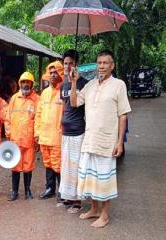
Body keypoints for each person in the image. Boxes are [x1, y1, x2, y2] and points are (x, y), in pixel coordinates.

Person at [70, 50, 131, 228]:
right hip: (89, 140)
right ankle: (94, 209)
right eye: (99, 63)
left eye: (105, 63)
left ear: (112, 66)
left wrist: (119, 142)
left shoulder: (119, 85)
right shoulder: (89, 86)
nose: (101, 66)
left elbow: (123, 116)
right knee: (90, 177)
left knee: (104, 180)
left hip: (107, 142)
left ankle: (104, 215)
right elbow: (74, 103)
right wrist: (73, 82)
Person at [58, 50, 89, 213]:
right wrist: (60, 125)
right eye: (65, 63)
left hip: (78, 131)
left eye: (71, 63)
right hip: (66, 131)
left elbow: (82, 107)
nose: (67, 66)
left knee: (77, 166)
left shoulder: (84, 83)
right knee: (66, 166)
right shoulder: (63, 85)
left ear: (76, 64)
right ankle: (68, 196)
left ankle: (77, 201)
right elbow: (64, 108)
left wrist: (75, 82)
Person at [5, 72, 40, 201]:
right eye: (23, 82)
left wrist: (37, 138)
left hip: (29, 140)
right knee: (15, 165)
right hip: (15, 139)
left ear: (32, 84)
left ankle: (27, 191)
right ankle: (14, 191)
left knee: (28, 166)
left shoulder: (37, 99)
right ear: (20, 83)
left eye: (28, 82)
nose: (25, 84)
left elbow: (39, 119)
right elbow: (8, 118)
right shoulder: (14, 98)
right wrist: (8, 134)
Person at [35, 61, 64, 200]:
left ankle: (61, 191)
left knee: (58, 164)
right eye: (51, 73)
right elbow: (38, 114)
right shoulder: (44, 93)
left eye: (55, 72)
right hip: (44, 136)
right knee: (47, 163)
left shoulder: (64, 91)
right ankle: (49, 188)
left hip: (57, 136)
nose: (53, 75)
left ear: (61, 73)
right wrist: (37, 133)